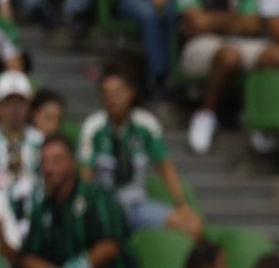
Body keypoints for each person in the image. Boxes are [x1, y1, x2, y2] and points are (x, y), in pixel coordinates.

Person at [4, 134, 143, 268]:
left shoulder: (97, 195)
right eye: (44, 163)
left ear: (72, 162)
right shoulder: (43, 205)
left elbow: (111, 245)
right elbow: (27, 256)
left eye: (56, 161)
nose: (49, 169)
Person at [176, 0, 279, 155]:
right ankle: (205, 115)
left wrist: (213, 19)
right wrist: (233, 20)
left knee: (277, 55)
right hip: (198, 47)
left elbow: (254, 24)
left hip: (238, 42)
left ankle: (256, 116)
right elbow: (196, 24)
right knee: (229, 55)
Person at [79, 66, 201, 237]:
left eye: (118, 92)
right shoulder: (93, 127)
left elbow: (165, 167)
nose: (113, 99)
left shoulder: (146, 124)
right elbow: (86, 174)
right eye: (107, 94)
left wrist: (182, 204)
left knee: (192, 226)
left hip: (137, 205)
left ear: (130, 93)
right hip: (104, 206)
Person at [0, 69, 43, 222]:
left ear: (28, 106)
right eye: (8, 102)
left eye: (20, 102)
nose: (15, 108)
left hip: (33, 219)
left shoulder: (40, 141)